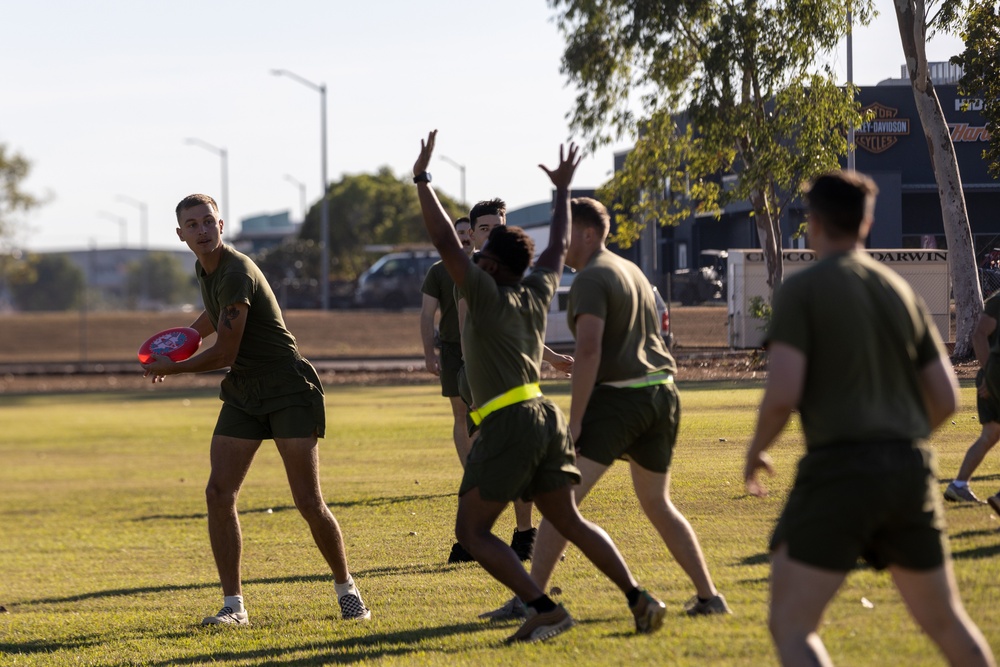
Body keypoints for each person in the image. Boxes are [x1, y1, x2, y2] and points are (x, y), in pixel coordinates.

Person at [413, 130, 667, 643]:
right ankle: (640, 599)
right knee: (569, 521)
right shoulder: (536, 287)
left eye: (482, 257)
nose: (474, 260)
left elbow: (444, 240)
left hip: (508, 423)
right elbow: (553, 246)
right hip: (543, 417)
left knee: (472, 532)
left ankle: (543, 609)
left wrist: (423, 179)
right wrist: (563, 192)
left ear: (492, 267)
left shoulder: (483, 293)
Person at [743, 171, 994, 667]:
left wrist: (755, 451)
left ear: (811, 223)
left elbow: (782, 394)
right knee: (947, 624)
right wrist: (895, 441)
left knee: (792, 625)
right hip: (910, 470)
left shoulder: (802, 289)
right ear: (868, 222)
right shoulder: (898, 290)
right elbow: (947, 397)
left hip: (838, 471)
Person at [481, 196, 730, 622]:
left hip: (621, 400)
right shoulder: (631, 269)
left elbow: (590, 349)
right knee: (657, 503)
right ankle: (709, 597)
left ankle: (531, 600)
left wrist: (575, 421)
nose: (561, 245)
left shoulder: (592, 278)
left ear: (590, 234)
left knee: (561, 503)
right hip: (662, 395)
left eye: (568, 236)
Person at [142, 194, 370, 626]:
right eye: (192, 225)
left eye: (208, 221)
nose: (202, 230)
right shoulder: (204, 269)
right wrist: (180, 341)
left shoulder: (235, 269)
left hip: (287, 387)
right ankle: (234, 607)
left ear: (221, 224)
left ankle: (348, 591)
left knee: (307, 501)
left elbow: (226, 350)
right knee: (218, 493)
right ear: (181, 235)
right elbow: (214, 318)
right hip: (245, 392)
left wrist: (177, 369)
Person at [461, 197, 539, 561]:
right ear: (473, 234)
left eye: (499, 227)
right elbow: (467, 336)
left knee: (514, 466)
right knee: (485, 461)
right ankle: (473, 537)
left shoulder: (515, 277)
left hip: (513, 389)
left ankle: (524, 535)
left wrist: (551, 359)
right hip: (479, 382)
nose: (493, 233)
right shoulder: (470, 276)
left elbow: (528, 335)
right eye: (485, 228)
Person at [421, 216, 477, 563]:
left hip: (483, 350)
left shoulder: (486, 267)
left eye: (469, 234)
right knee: (461, 414)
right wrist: (430, 352)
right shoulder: (439, 271)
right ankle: (470, 469)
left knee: (481, 414)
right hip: (455, 353)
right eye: (458, 235)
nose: (465, 239)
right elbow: (427, 315)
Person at [943, 292, 1000, 504]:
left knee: (990, 435)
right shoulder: (998, 301)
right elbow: (978, 335)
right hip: (995, 373)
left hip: (993, 374)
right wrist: (988, 375)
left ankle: (958, 486)